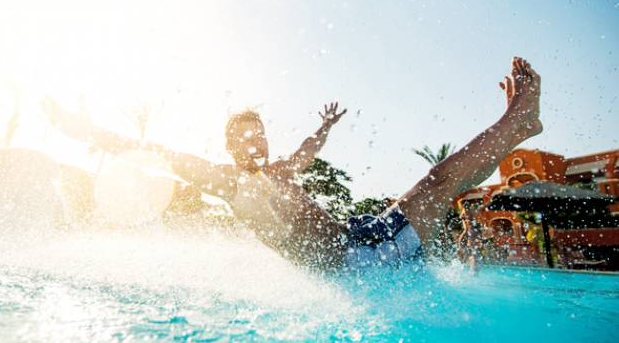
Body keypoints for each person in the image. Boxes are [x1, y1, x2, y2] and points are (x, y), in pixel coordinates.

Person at [46, 57, 543, 271]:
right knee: (437, 182)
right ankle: (517, 124)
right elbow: (155, 153)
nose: (255, 143)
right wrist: (83, 130)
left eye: (259, 134)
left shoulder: (280, 171)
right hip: (360, 263)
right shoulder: (224, 181)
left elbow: (307, 151)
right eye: (243, 138)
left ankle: (516, 124)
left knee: (434, 183)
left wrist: (324, 127)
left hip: (362, 236)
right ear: (228, 147)